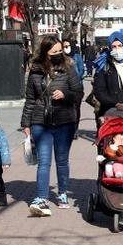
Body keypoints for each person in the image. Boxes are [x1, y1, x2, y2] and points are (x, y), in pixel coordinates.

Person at [21, 35, 84, 217]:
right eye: (54, 51)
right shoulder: (35, 71)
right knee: (44, 162)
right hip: (41, 121)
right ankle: (41, 198)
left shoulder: (69, 67)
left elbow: (78, 92)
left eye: (59, 51)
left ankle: (63, 192)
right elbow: (30, 100)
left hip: (64, 120)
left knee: (62, 160)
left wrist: (64, 94)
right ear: (45, 52)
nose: (58, 54)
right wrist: (26, 122)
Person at [63, 38, 85, 139]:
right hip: (64, 87)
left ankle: (75, 129)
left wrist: (74, 79)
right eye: (64, 47)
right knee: (66, 110)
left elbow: (81, 70)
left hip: (77, 88)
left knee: (76, 109)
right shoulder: (61, 58)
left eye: (67, 46)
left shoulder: (77, 57)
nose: (65, 48)